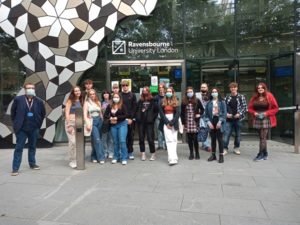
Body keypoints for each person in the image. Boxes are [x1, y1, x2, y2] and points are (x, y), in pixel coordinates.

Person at [10, 83, 46, 176]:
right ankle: (15, 168)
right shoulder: (18, 99)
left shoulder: (39, 101)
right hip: (21, 128)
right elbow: (13, 112)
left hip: (34, 128)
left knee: (32, 147)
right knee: (19, 148)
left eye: (32, 88)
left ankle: (32, 163)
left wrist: (38, 124)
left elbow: (43, 114)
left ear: (34, 89)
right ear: (25, 89)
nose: (31, 89)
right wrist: (16, 124)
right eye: (29, 88)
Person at [248, 82, 279, 161]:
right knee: (262, 137)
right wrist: (254, 113)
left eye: (262, 88)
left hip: (266, 118)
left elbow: (276, 108)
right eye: (258, 88)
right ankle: (265, 153)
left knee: (263, 137)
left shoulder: (269, 96)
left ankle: (260, 154)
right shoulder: (254, 97)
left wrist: (266, 113)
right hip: (257, 118)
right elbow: (250, 108)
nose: (260, 89)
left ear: (265, 88)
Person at [104, 92, 128, 165]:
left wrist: (117, 118)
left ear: (120, 98)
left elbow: (125, 115)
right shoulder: (109, 106)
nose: (116, 98)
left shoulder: (123, 106)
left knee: (122, 141)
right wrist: (110, 118)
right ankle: (116, 157)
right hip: (113, 125)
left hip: (122, 124)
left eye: (117, 97)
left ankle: (124, 157)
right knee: (115, 141)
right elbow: (105, 115)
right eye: (114, 97)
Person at [223, 82, 247, 155]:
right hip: (228, 119)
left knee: (238, 135)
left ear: (237, 88)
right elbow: (224, 108)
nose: (233, 88)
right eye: (231, 87)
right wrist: (226, 114)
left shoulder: (241, 97)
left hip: (238, 119)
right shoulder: (227, 97)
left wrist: (239, 114)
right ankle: (225, 148)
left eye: (234, 87)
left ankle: (236, 148)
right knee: (226, 134)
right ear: (230, 89)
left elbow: (244, 107)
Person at [204, 87, 227, 163]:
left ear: (218, 92)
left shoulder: (222, 102)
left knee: (220, 139)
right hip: (212, 121)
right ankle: (213, 155)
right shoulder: (208, 103)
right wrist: (208, 122)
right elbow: (206, 115)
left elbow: (224, 113)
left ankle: (221, 155)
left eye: (215, 91)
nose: (214, 93)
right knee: (213, 139)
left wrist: (220, 122)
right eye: (213, 92)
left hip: (219, 120)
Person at [135, 86, 159, 161]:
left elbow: (156, 111)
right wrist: (137, 117)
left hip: (149, 122)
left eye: (146, 91)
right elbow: (136, 110)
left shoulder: (153, 100)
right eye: (143, 91)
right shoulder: (140, 101)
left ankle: (153, 154)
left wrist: (152, 119)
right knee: (141, 138)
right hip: (141, 122)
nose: (144, 92)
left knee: (150, 139)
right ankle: (143, 154)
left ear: (149, 92)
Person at [159, 87, 180, 165]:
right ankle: (171, 159)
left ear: (172, 92)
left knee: (174, 140)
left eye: (170, 91)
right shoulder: (161, 101)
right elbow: (161, 114)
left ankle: (174, 157)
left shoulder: (176, 101)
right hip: (165, 122)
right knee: (169, 140)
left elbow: (178, 113)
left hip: (174, 122)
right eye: (167, 91)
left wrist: (172, 123)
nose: (168, 92)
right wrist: (167, 123)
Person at [181, 87, 204, 160]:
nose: (189, 93)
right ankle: (191, 153)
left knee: (195, 138)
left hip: (195, 122)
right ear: (186, 93)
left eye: (191, 91)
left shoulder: (197, 100)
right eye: (188, 92)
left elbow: (203, 109)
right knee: (189, 139)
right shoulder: (184, 101)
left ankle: (197, 152)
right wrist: (183, 123)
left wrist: (199, 114)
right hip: (187, 122)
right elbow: (182, 113)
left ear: (193, 92)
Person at [83, 89, 105, 164]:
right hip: (92, 121)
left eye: (94, 94)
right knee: (97, 139)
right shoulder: (86, 103)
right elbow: (85, 115)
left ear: (95, 94)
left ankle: (93, 156)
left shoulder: (98, 102)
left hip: (99, 121)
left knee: (96, 140)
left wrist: (103, 121)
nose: (92, 95)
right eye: (91, 94)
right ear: (88, 95)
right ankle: (101, 157)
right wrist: (88, 124)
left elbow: (101, 114)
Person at [64, 86, 83, 169]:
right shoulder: (70, 101)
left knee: (77, 143)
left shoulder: (82, 100)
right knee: (73, 142)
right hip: (71, 122)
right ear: (73, 93)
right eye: (75, 91)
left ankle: (77, 159)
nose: (77, 92)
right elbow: (66, 113)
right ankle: (72, 160)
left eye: (78, 90)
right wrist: (69, 125)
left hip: (79, 123)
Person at [121, 80, 137, 160]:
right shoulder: (120, 95)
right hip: (121, 119)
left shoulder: (132, 95)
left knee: (130, 136)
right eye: (123, 85)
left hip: (130, 119)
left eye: (126, 85)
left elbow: (134, 107)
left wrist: (131, 118)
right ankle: (124, 152)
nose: (125, 86)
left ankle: (130, 152)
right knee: (123, 137)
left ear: (128, 85)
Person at [196, 83, 212, 152]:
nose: (203, 88)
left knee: (206, 130)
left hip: (208, 115)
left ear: (207, 88)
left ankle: (205, 144)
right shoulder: (197, 95)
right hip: (200, 115)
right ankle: (206, 145)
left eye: (204, 87)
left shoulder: (210, 95)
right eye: (202, 87)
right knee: (203, 129)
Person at [101, 90, 114, 159]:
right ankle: (105, 152)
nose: (105, 95)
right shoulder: (101, 103)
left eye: (107, 94)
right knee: (104, 138)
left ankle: (111, 152)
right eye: (104, 94)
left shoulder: (112, 102)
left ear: (109, 95)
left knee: (111, 138)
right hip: (104, 122)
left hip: (111, 121)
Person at [154, 83, 167, 150]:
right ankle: (160, 145)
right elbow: (155, 107)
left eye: (162, 88)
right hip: (158, 116)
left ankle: (166, 145)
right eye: (160, 88)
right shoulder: (156, 97)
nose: (161, 90)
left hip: (166, 117)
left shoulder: (167, 96)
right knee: (159, 131)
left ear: (165, 89)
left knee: (166, 131)